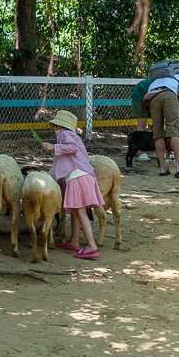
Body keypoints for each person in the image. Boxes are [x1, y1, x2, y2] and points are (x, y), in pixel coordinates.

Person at [41, 110, 104, 259]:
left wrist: (53, 147)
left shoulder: (64, 134)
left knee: (80, 211)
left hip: (77, 176)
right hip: (83, 175)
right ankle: (74, 240)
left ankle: (91, 245)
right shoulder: (72, 135)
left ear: (57, 126)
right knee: (77, 210)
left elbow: (71, 147)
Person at [143, 71, 179, 177]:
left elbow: (145, 97)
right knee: (175, 131)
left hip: (152, 96)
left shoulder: (160, 78)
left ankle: (162, 168)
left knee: (158, 133)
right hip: (169, 94)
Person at [130, 76, 153, 160]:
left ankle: (162, 151)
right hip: (140, 95)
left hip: (153, 97)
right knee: (142, 122)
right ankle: (140, 151)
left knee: (159, 122)